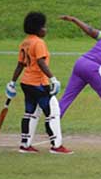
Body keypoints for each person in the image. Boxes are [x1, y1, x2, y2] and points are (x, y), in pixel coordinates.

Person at [5, 12, 71, 154]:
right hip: (39, 84)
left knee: (30, 113)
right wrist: (53, 78)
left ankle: (25, 144)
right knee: (52, 112)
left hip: (26, 83)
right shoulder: (39, 43)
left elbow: (20, 65)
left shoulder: (25, 42)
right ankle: (56, 145)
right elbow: (41, 62)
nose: (46, 30)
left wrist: (12, 82)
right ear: (38, 28)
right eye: (44, 27)